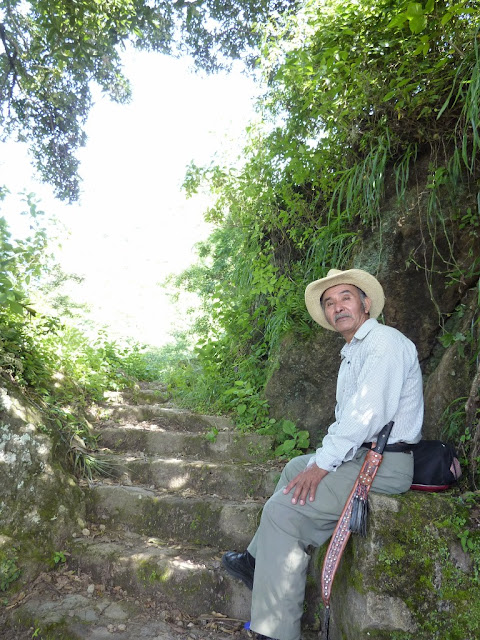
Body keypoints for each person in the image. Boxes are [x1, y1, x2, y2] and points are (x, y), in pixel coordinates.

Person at [221, 268, 423, 640]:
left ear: (365, 304)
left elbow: (366, 416)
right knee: (295, 467)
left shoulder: (384, 344)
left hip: (383, 463)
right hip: (363, 456)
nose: (337, 307)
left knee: (282, 512)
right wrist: (315, 463)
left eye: (346, 297)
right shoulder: (355, 351)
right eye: (329, 302)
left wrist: (323, 465)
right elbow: (349, 421)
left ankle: (275, 631)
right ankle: (255, 561)